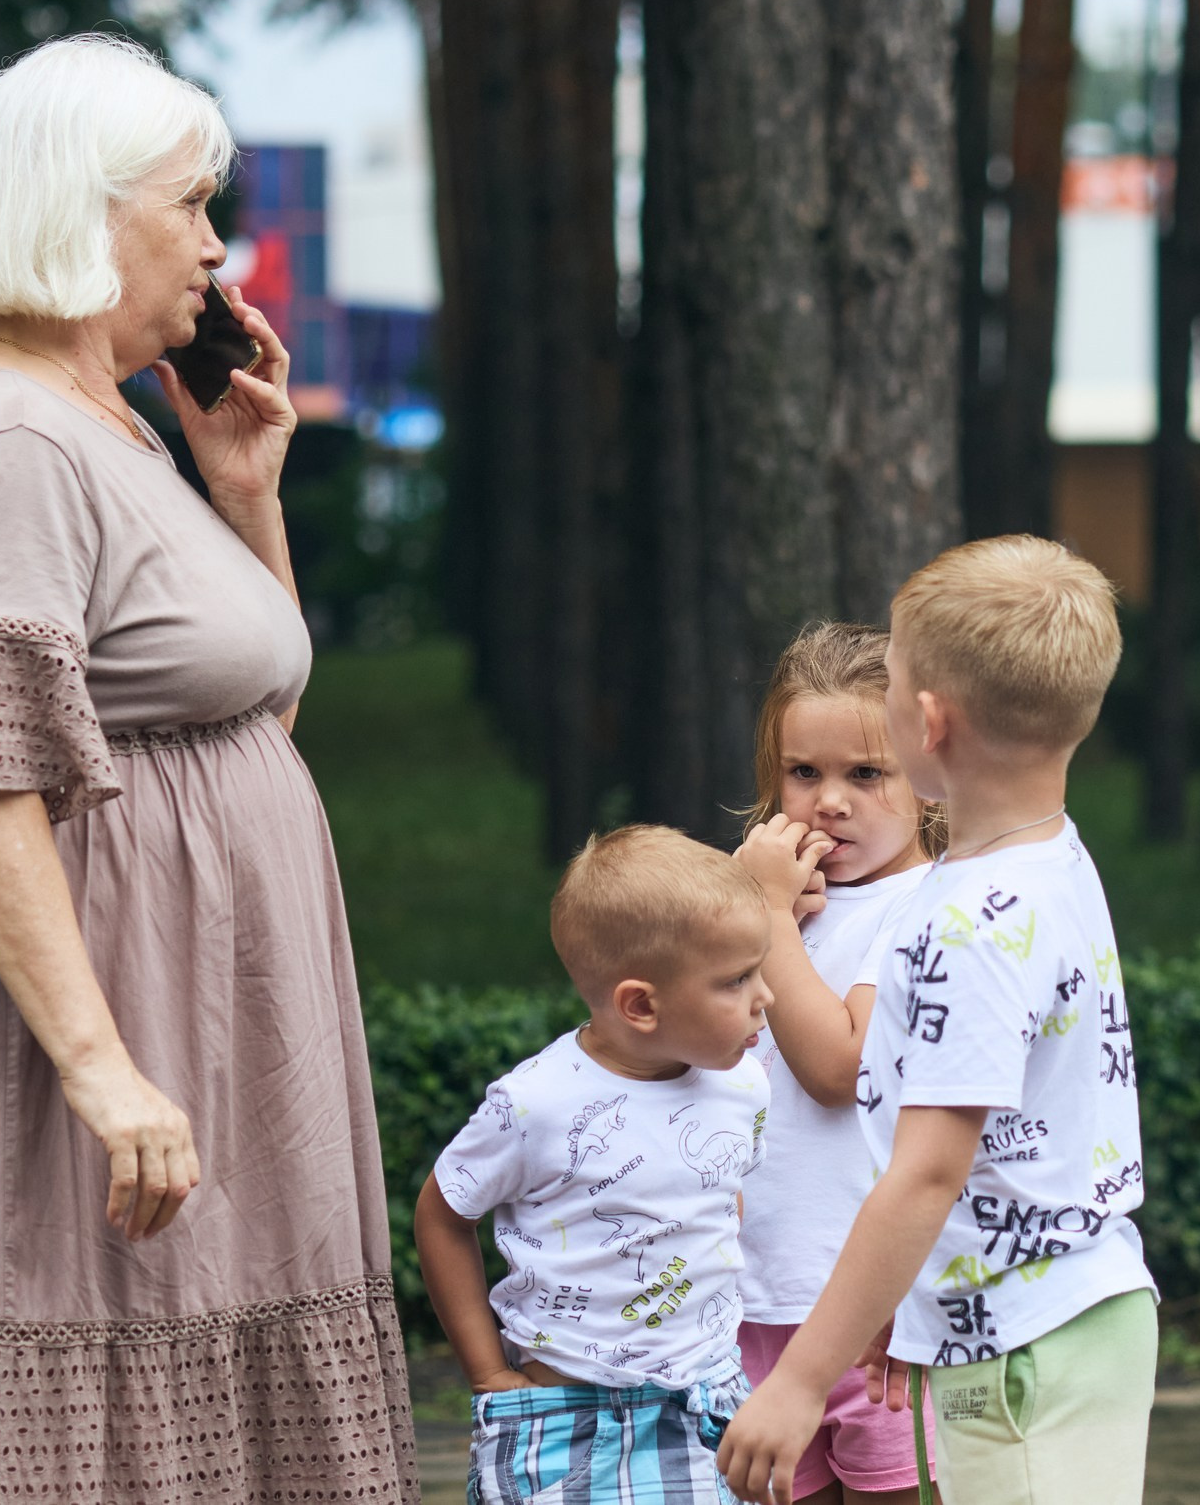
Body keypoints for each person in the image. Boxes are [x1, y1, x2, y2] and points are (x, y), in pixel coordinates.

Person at [0, 34, 417, 1501]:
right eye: (192, 204)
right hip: (108, 1010)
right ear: (86, 213)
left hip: (204, 998)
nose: (218, 247)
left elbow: (243, 723)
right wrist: (104, 1070)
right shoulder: (3, 443)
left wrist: (244, 491)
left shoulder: (107, 426)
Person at [718, 537, 1157, 1505]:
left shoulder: (970, 925)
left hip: (1022, 1347)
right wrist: (906, 1309)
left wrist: (797, 1382)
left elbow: (926, 1171)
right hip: (1043, 1316)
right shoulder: (1044, 860)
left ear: (923, 720)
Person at [414, 825, 775, 1505]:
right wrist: (489, 1370)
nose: (766, 996)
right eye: (735, 980)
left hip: (705, 1407)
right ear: (641, 1003)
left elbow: (722, 1201)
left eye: (759, 969)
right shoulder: (536, 1104)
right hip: (567, 1423)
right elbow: (441, 1212)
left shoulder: (744, 1083)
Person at [727, 622, 943, 1505]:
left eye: (866, 772)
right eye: (803, 772)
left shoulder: (926, 906)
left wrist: (770, 920)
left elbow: (840, 1066)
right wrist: (755, 917)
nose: (831, 801)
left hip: (871, 1313)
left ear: (925, 779)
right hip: (755, 1292)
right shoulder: (774, 907)